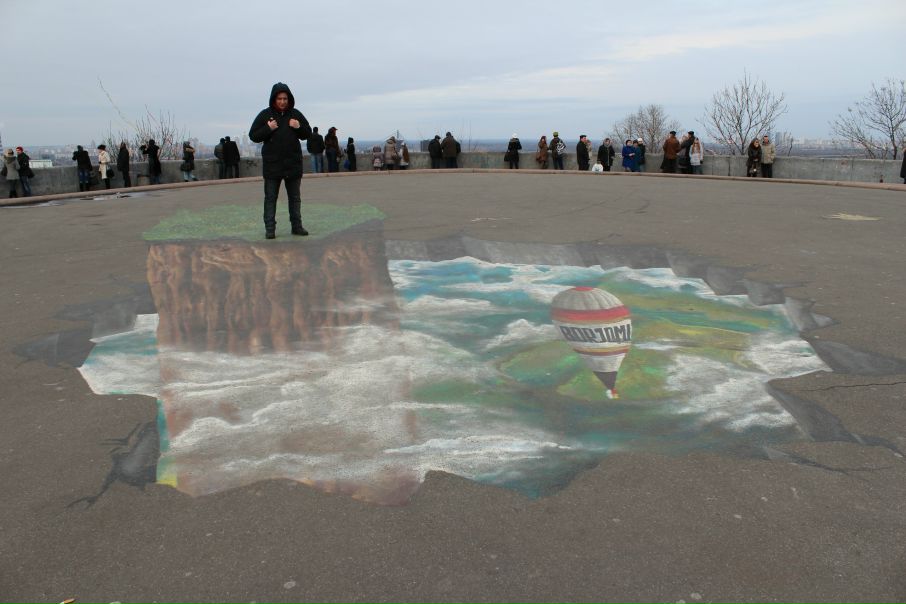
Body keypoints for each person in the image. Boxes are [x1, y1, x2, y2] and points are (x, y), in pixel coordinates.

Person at [248, 82, 313, 239]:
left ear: (289, 99)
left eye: (285, 98)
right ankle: (270, 229)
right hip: (273, 165)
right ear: (274, 99)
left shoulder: (295, 114)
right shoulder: (265, 115)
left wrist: (298, 126)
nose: (282, 101)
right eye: (279, 99)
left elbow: (307, 133)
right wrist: (268, 128)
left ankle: (296, 226)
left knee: (295, 199)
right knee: (270, 198)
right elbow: (253, 135)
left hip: (292, 164)